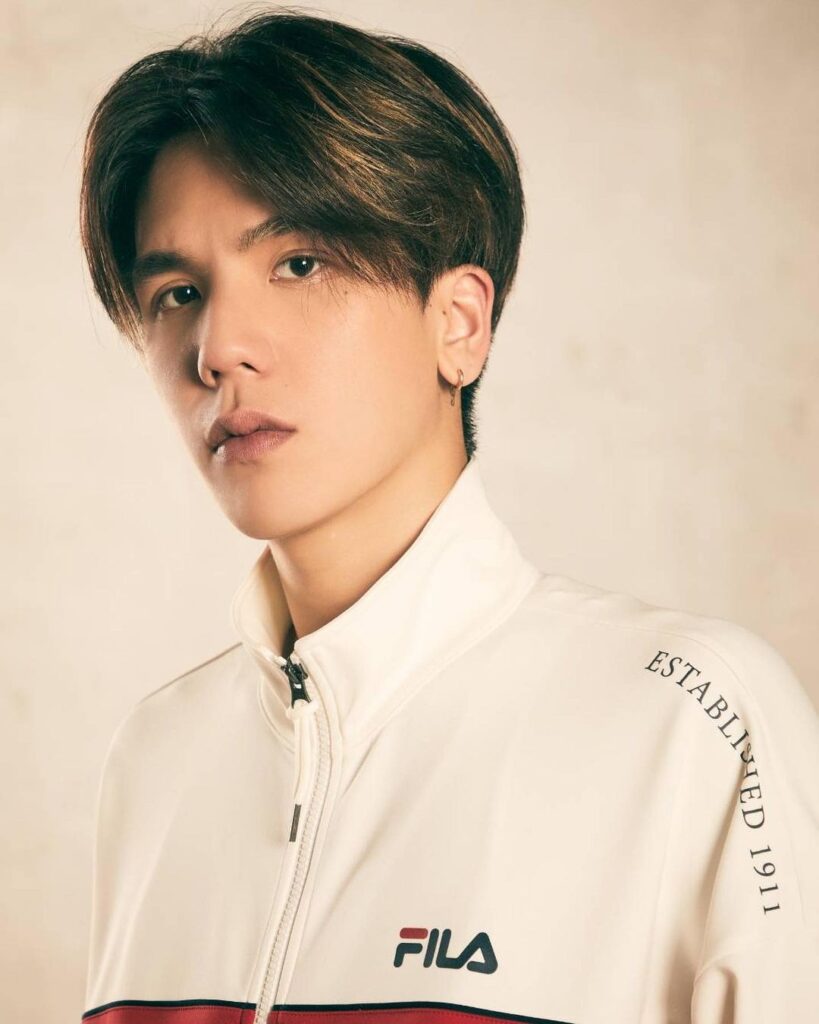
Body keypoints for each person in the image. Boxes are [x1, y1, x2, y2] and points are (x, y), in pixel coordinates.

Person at [78, 8, 819, 1024]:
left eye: (299, 264)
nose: (218, 347)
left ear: (459, 323)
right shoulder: (159, 759)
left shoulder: (691, 722)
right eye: (176, 292)